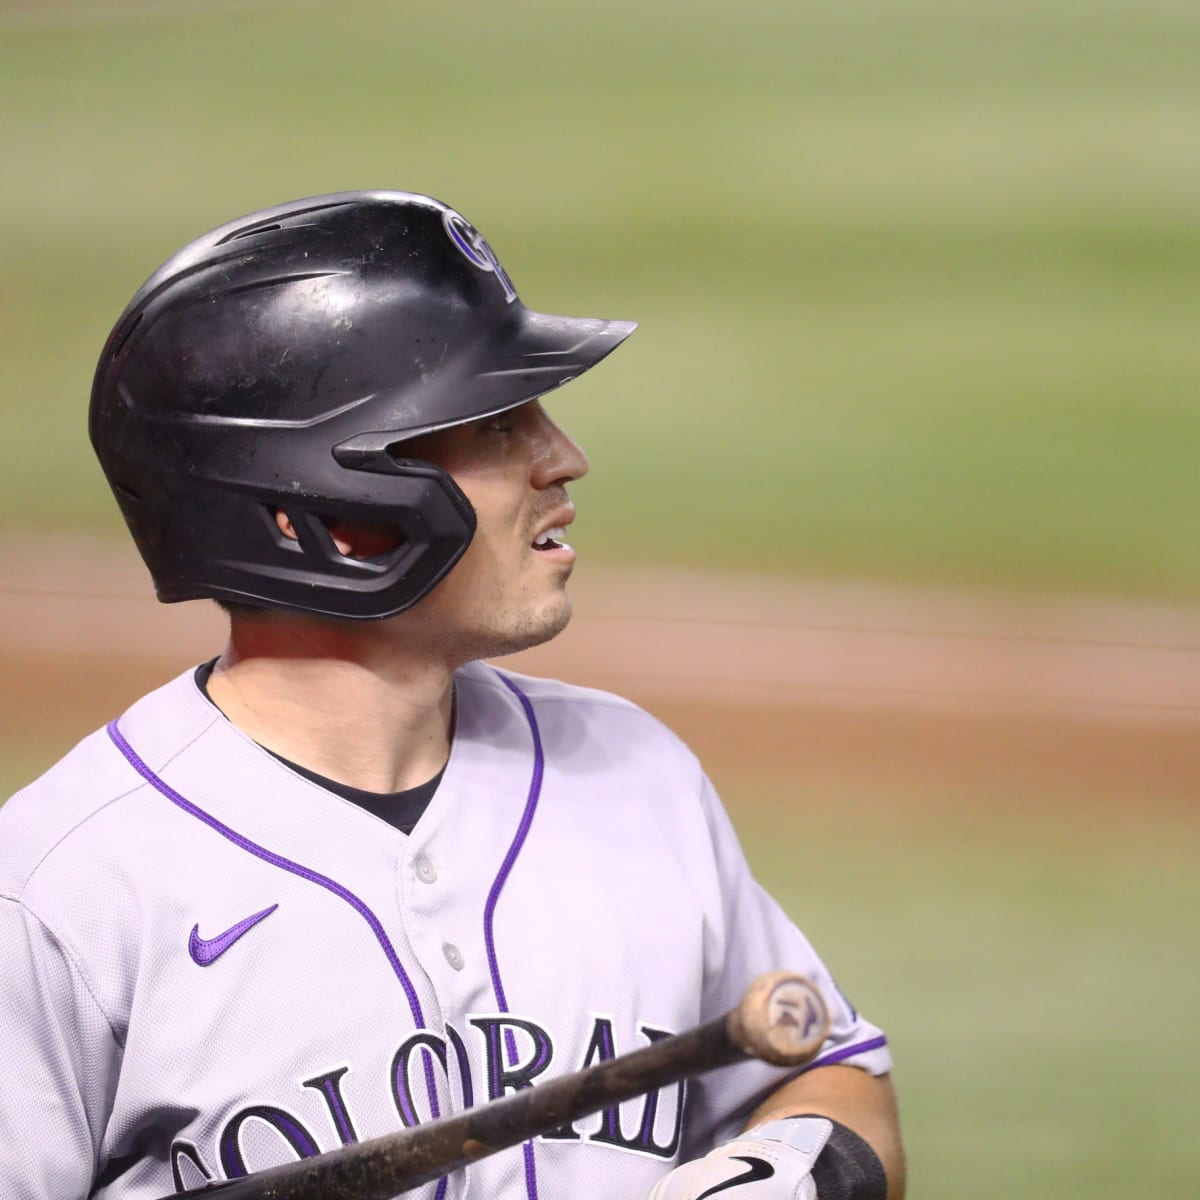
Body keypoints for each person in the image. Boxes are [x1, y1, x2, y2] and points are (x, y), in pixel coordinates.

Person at [0, 191, 905, 1200]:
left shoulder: (635, 774)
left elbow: (834, 1076)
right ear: (336, 513)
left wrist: (767, 1181)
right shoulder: (65, 895)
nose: (563, 458)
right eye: (497, 423)